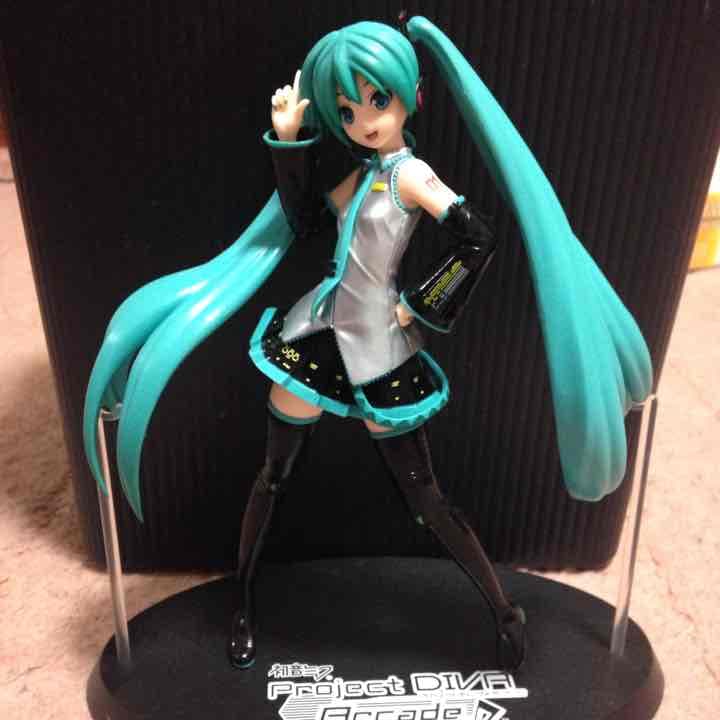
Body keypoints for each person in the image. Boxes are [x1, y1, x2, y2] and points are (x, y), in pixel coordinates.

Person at [83, 16, 652, 674]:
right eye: (348, 111)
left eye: (377, 101)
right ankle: (243, 605)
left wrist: (419, 305)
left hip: (379, 350)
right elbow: (302, 221)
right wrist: (290, 142)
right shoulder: (360, 175)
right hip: (319, 338)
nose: (364, 121)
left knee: (426, 498)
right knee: (273, 476)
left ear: (411, 95)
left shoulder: (412, 176)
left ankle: (503, 612)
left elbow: (478, 236)